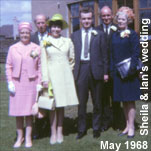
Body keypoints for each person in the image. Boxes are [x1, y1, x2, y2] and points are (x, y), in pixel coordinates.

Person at [41, 14, 79, 145]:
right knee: (52, 105)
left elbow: (72, 59)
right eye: (53, 27)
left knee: (61, 105)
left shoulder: (67, 41)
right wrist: (45, 79)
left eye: (58, 27)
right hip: (51, 77)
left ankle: (59, 131)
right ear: (50, 28)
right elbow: (43, 62)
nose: (56, 29)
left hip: (63, 76)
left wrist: (68, 73)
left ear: (61, 28)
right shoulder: (45, 41)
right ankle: (52, 132)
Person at [71, 7, 108, 139]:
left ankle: (96, 127)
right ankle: (81, 129)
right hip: (81, 70)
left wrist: (105, 72)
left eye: (88, 18)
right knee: (81, 102)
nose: (86, 21)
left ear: (92, 19)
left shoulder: (100, 34)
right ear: (80, 20)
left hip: (96, 70)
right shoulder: (74, 35)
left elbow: (105, 56)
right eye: (84, 18)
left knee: (97, 101)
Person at [5, 22, 41, 148]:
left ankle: (28, 138)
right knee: (18, 113)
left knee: (29, 113)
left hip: (31, 83)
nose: (24, 35)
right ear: (19, 33)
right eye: (22, 32)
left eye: (27, 32)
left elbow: (40, 67)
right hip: (17, 84)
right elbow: (8, 66)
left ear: (30, 33)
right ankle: (20, 138)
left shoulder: (36, 48)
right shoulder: (12, 48)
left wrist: (39, 82)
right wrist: (10, 81)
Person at [110, 7, 141, 138]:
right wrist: (112, 70)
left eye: (123, 19)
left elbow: (136, 53)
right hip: (118, 73)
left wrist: (131, 69)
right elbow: (111, 53)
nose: (121, 21)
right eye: (119, 19)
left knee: (130, 100)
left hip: (129, 73)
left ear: (128, 20)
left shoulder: (133, 34)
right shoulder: (114, 35)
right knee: (123, 100)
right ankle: (127, 125)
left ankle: (132, 126)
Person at [96, 6, 121, 131]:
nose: (106, 18)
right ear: (101, 17)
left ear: (112, 16)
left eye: (108, 15)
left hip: (115, 69)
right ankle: (105, 122)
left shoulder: (118, 29)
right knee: (104, 98)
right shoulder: (96, 30)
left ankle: (117, 122)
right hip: (102, 70)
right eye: (103, 16)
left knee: (115, 97)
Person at [31, 14, 49, 139]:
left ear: (46, 23)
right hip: (35, 75)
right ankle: (37, 128)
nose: (41, 25)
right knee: (36, 101)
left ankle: (48, 127)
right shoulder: (31, 38)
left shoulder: (52, 36)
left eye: (43, 23)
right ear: (36, 24)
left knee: (48, 101)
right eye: (38, 23)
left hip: (49, 75)